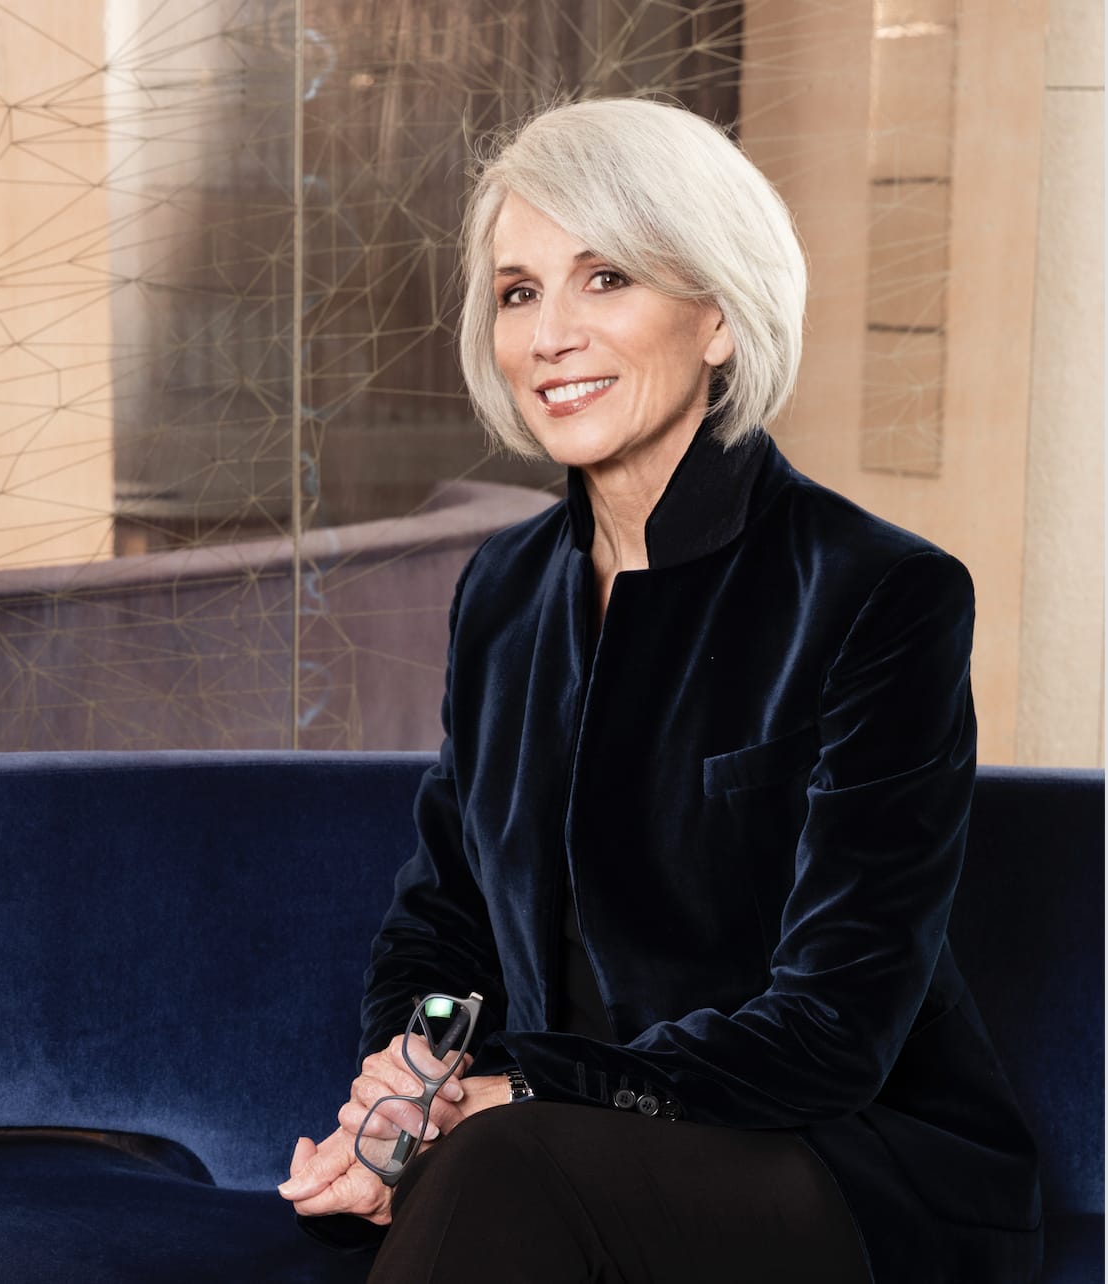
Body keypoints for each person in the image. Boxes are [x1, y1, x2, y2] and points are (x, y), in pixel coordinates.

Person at [277, 97, 1040, 1284]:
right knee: (484, 1172)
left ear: (721, 317)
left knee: (504, 1168)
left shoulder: (880, 594)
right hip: (543, 1147)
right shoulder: (504, 587)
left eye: (608, 278)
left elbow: (834, 1033)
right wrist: (405, 1109)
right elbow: (446, 922)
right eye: (521, 291)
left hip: (838, 1164)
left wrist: (517, 1092)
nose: (550, 336)